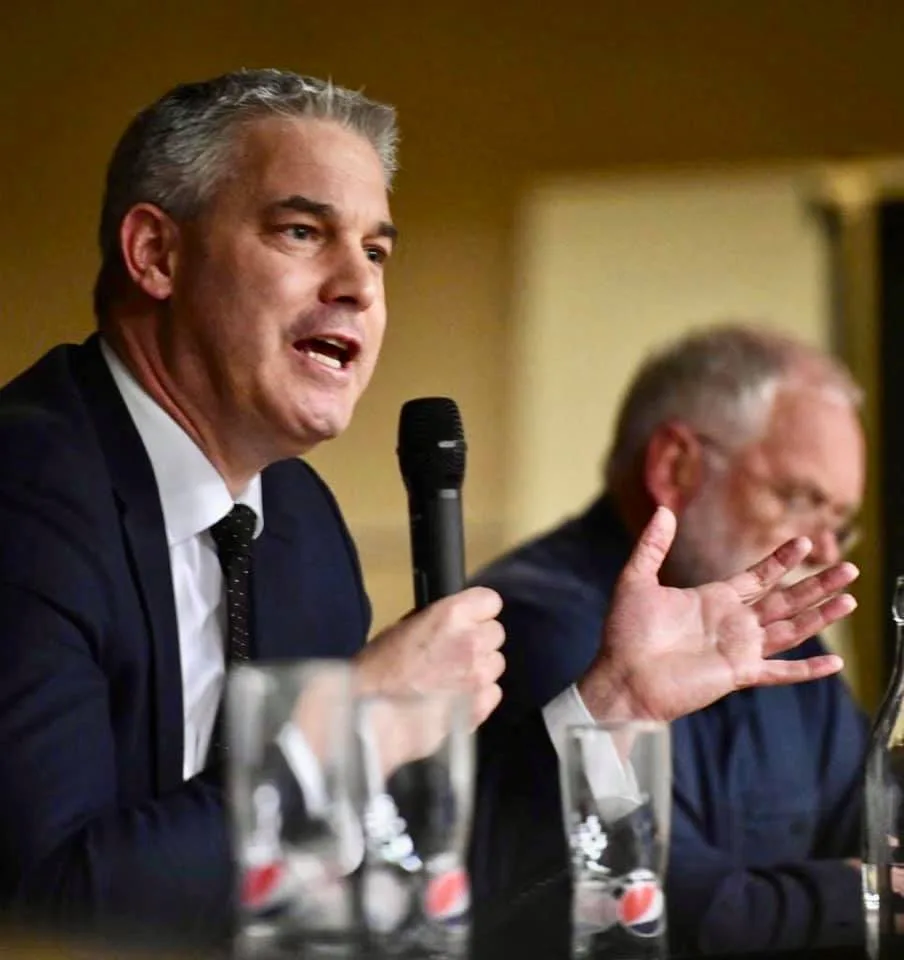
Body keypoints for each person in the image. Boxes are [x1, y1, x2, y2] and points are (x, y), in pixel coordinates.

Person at [0, 72, 857, 953]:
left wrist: (608, 706)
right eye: (303, 232)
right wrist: (357, 716)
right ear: (157, 255)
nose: (359, 288)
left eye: (376, 252)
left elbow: (428, 883)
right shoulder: (25, 491)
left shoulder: (300, 525)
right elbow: (48, 908)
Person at [474, 324, 869, 955]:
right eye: (800, 500)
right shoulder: (529, 621)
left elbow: (874, 825)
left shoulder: (787, 636)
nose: (821, 551)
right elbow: (663, 904)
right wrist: (857, 897)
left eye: (840, 525)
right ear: (675, 465)